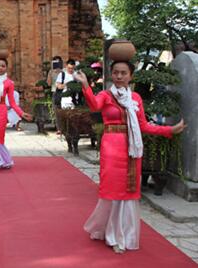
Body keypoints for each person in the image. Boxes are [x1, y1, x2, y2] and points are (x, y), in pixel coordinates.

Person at [74, 62, 185, 254]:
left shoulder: (135, 98)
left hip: (132, 147)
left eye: (123, 73)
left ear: (130, 76)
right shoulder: (105, 95)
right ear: (111, 75)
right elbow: (94, 106)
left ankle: (124, 232)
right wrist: (85, 85)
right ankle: (113, 235)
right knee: (113, 189)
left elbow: (143, 125)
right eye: (115, 73)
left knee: (128, 190)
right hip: (111, 146)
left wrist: (169, 130)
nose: (119, 76)